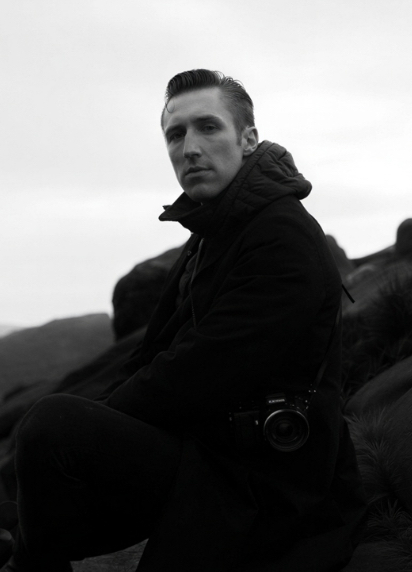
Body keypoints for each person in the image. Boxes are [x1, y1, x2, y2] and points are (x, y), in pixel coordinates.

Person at [1, 69, 366, 572]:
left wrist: (96, 423)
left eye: (208, 127)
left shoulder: (282, 234)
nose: (190, 148)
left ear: (248, 139)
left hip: (268, 480)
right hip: (211, 452)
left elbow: (205, 370)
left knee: (51, 425)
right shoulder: (214, 230)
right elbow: (153, 354)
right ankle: (24, 551)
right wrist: (101, 418)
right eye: (176, 135)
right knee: (51, 446)